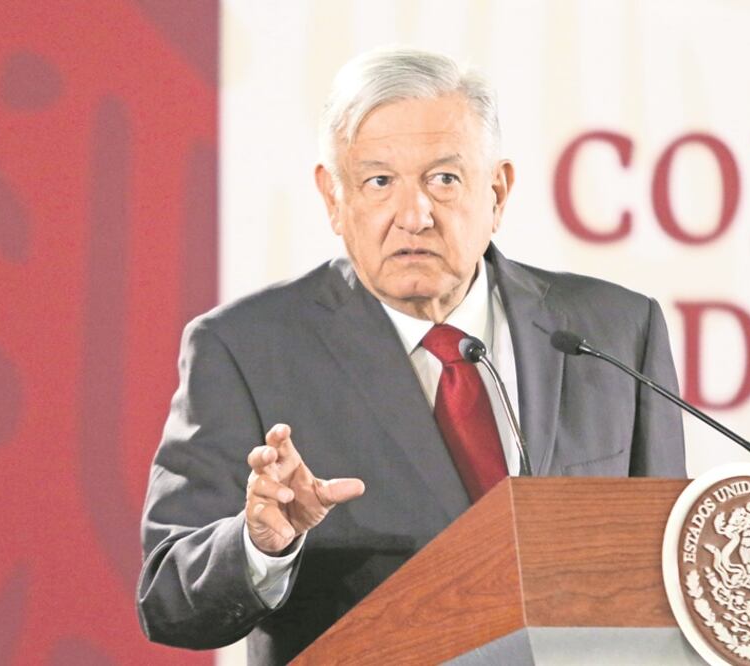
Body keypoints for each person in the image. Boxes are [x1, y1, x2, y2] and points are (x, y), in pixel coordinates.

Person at [137, 47, 686, 664]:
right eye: (379, 182)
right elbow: (167, 598)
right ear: (333, 198)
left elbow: (665, 570)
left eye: (444, 179)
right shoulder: (246, 348)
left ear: (498, 192)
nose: (414, 215)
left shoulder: (614, 330)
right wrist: (260, 544)